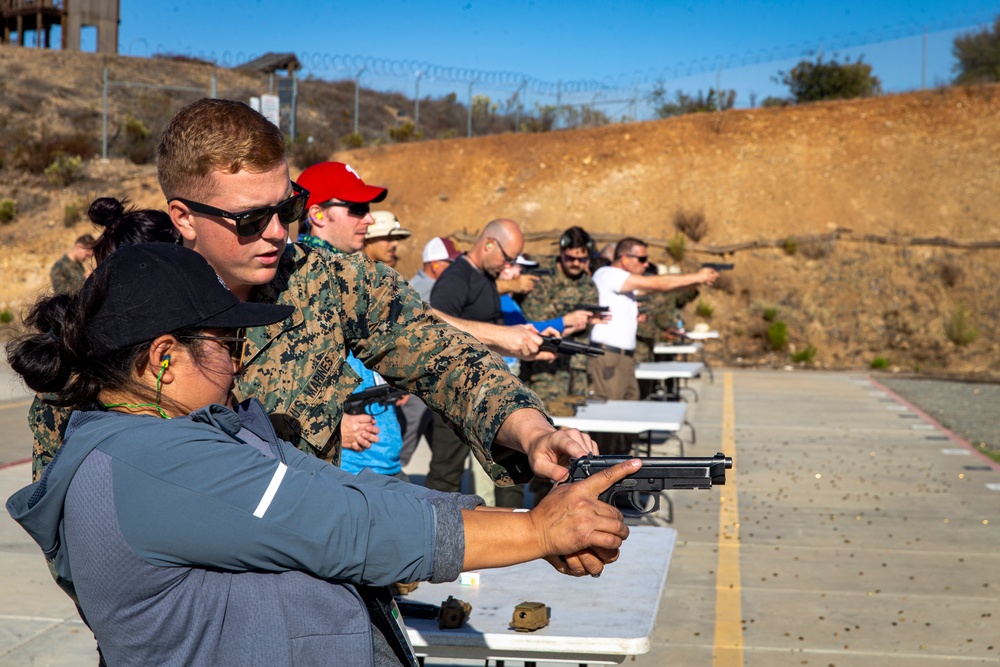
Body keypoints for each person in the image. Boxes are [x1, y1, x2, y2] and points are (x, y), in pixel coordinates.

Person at [6, 242, 636, 666]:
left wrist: (528, 524)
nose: (240, 360)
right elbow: (345, 527)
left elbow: (351, 495)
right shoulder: (153, 462)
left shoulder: (188, 436)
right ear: (164, 358)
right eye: (227, 343)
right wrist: (535, 530)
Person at [30, 99, 593, 503]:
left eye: (289, 208)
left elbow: (445, 357)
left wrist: (532, 431)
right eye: (251, 218)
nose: (277, 231)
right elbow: (58, 492)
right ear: (183, 217)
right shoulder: (121, 311)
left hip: (319, 602)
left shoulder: (324, 282)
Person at [429, 219, 542, 508]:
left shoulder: (485, 278)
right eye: (507, 258)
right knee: (446, 478)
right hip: (453, 394)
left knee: (511, 470)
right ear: (489, 243)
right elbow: (435, 330)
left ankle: (515, 535)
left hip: (489, 393)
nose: (508, 267)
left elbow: (485, 331)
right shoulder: (455, 280)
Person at [588, 237, 717, 454]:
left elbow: (661, 289)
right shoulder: (609, 275)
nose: (646, 264)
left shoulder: (625, 284)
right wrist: (698, 276)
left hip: (624, 359)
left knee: (627, 420)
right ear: (624, 259)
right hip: (608, 358)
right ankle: (600, 475)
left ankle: (620, 471)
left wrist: (696, 283)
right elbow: (658, 283)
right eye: (642, 259)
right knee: (608, 422)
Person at [296, 160, 385, 254]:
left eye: (367, 209)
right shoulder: (305, 267)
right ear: (318, 215)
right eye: (358, 209)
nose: (370, 220)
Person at [410, 236, 461, 301]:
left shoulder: (413, 285)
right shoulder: (437, 288)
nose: (456, 267)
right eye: (452, 263)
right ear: (435, 266)